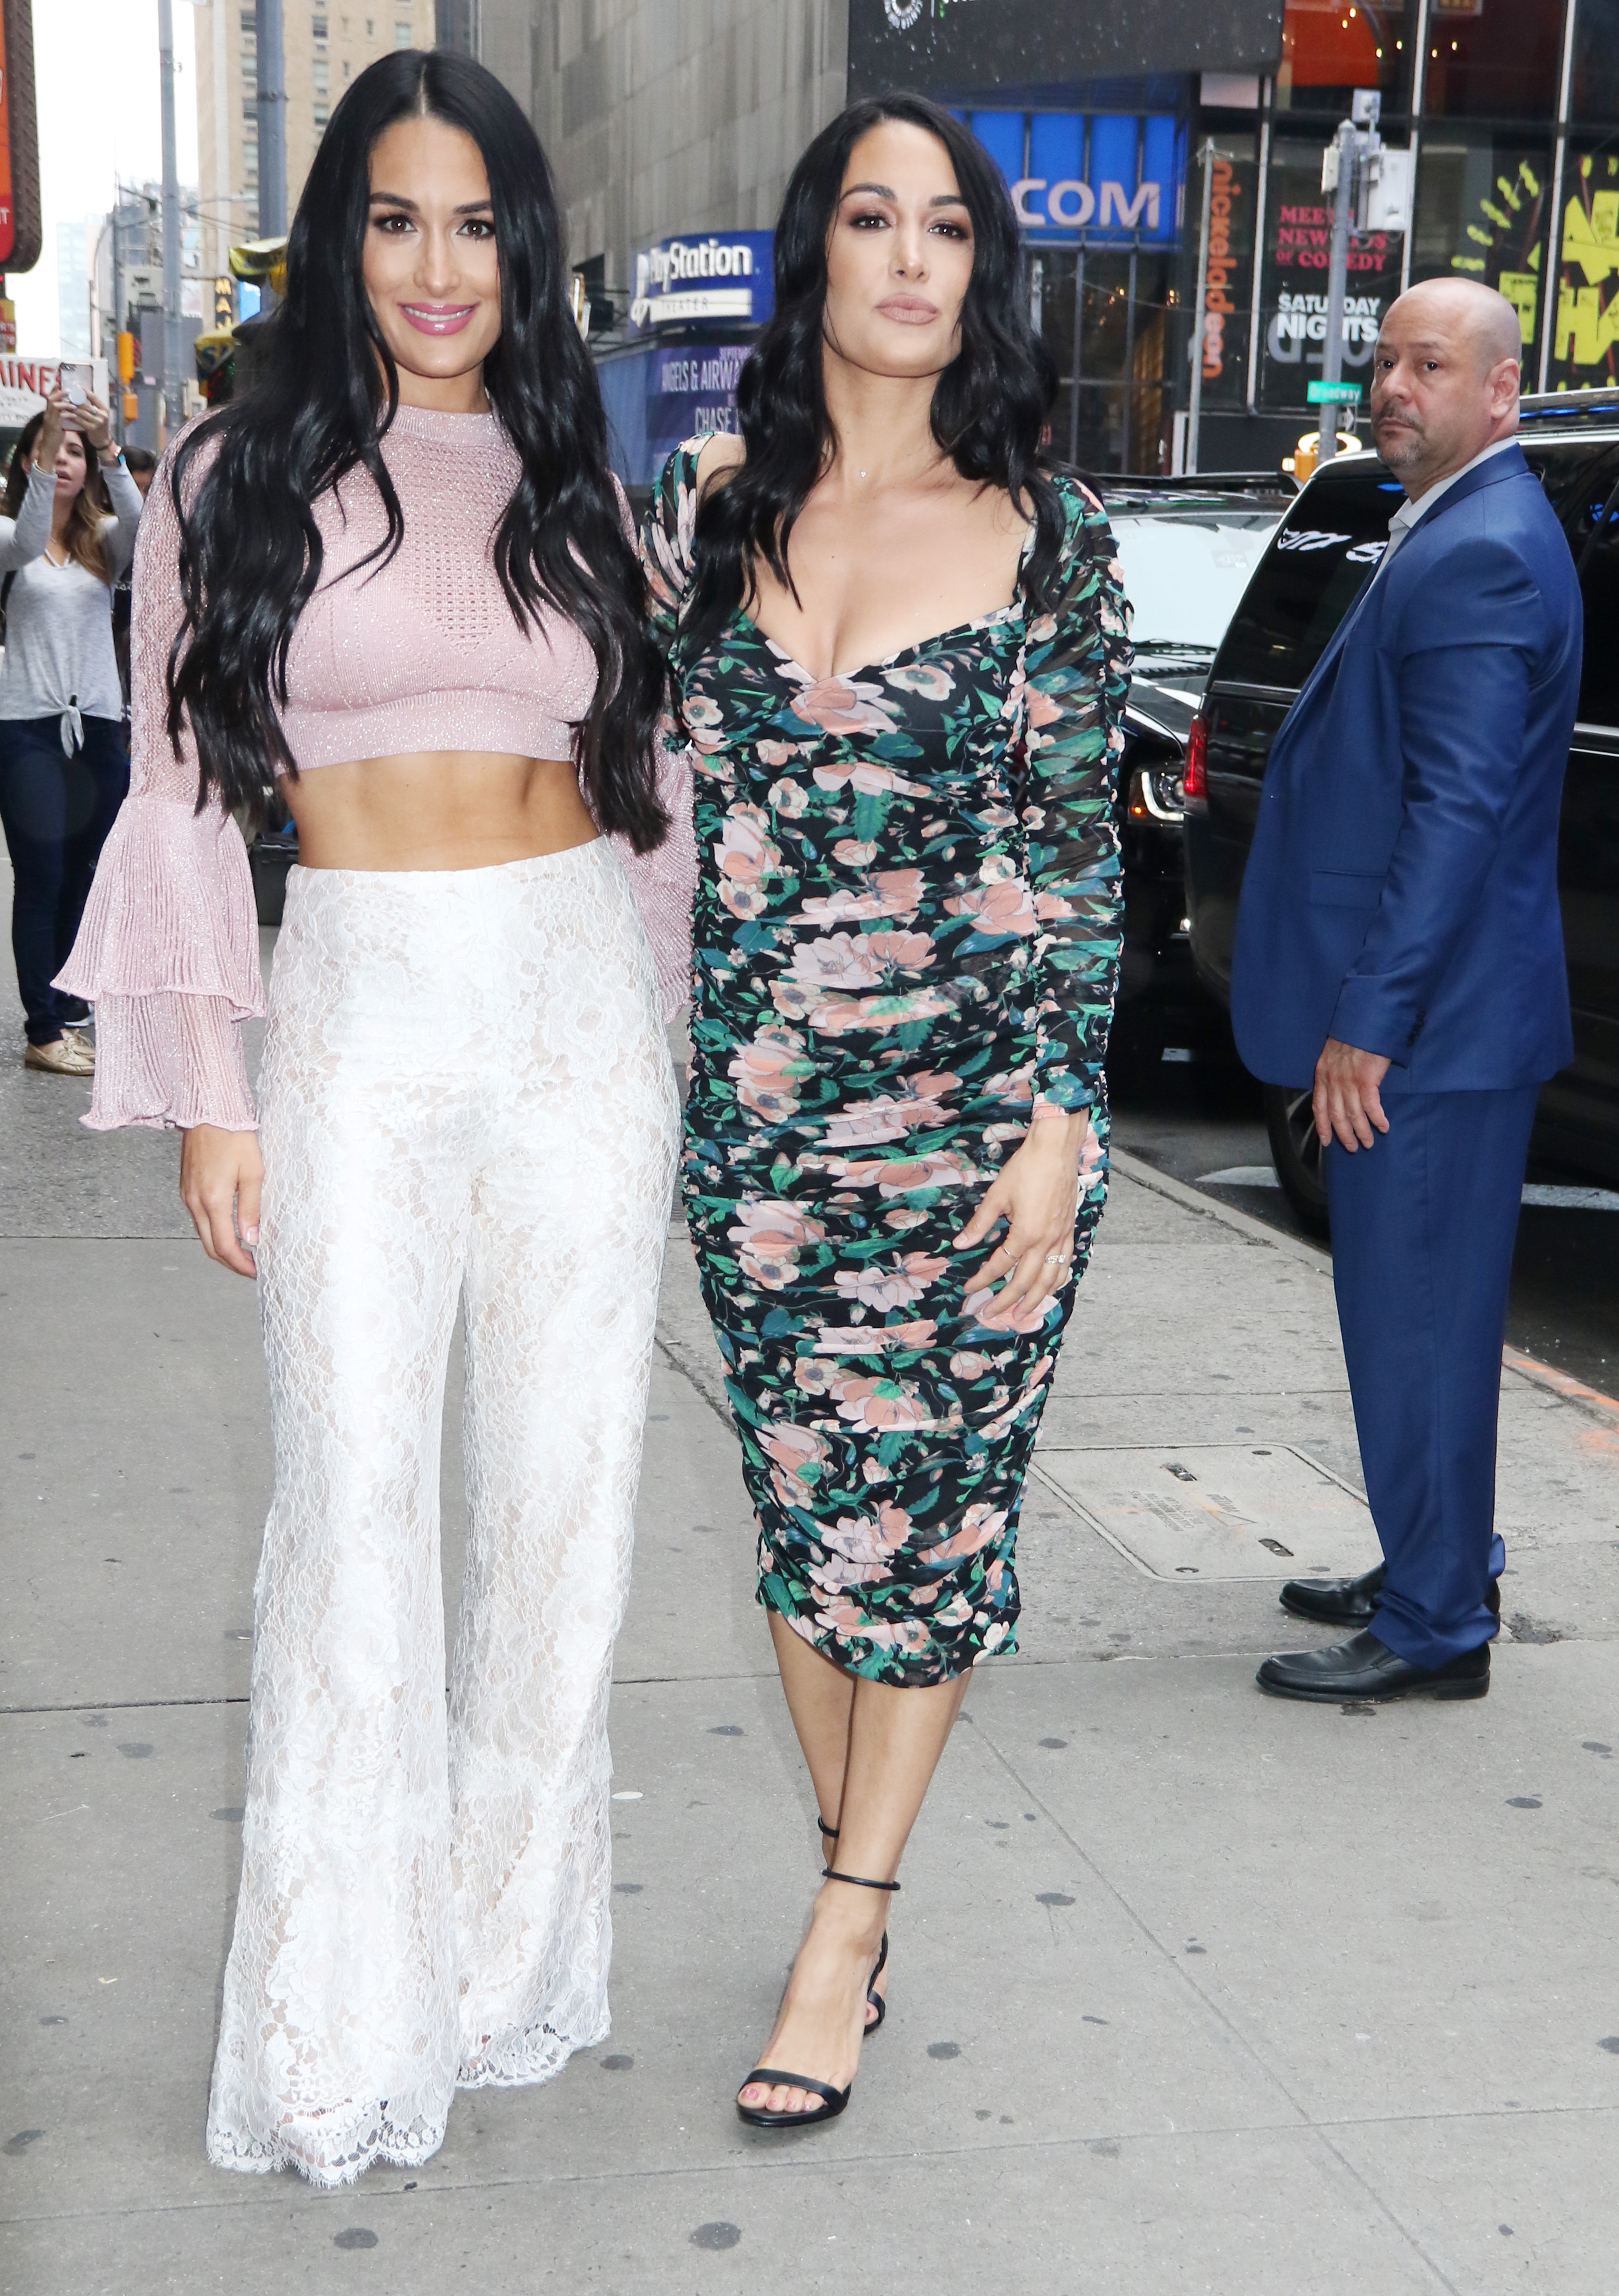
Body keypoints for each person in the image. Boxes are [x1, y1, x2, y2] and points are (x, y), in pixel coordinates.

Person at [58, 50, 691, 2185]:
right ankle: (336, 2028)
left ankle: (499, 1973)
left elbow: (652, 808)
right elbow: (167, 796)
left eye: (479, 222)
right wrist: (208, 1095)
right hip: (356, 1013)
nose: (442, 266)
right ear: (345, 242)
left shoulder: (576, 468)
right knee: (350, 1513)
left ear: (526, 244)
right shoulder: (229, 468)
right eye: (397, 220)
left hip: (577, 1014)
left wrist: (679, 1047)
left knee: (562, 1512)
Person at [642, 91, 1130, 2128]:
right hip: (756, 1119)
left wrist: (1060, 1115)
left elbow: (1077, 850)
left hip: (965, 1119)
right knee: (803, 1533)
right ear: (814, 253)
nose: (912, 256)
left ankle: (841, 1925)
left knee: (916, 1539)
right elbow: (656, 802)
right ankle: (868, 1866)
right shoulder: (715, 509)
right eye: (872, 216)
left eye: (946, 224)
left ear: (975, 273)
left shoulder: (1046, 533)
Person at [1230, 278, 1582, 1704]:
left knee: (1416, 1322)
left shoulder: (1484, 547)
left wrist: (1365, 1027)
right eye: (1382, 362)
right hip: (1444, 1024)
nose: (1392, 386)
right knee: (1415, 1318)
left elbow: (1452, 816)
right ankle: (1431, 1556)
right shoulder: (1441, 520)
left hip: (1427, 1037)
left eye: (1425, 365)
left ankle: (1436, 1622)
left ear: (1497, 392)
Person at [0, 385, 141, 1074]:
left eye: (74, 450)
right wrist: (52, 430)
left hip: (98, 731)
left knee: (88, 871)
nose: (63, 459)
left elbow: (144, 532)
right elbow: (29, 538)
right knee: (42, 875)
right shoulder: (9, 539)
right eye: (49, 447)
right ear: (25, 461)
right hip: (27, 730)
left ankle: (67, 1003)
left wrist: (111, 447)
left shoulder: (103, 544)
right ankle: (43, 1028)